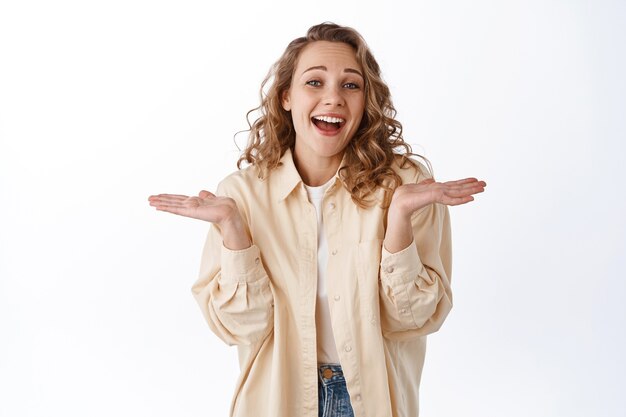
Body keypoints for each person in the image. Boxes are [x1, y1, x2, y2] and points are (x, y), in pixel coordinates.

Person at [148, 22, 486, 417]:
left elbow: (415, 318)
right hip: (279, 401)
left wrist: (399, 222)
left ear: (367, 101)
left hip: (371, 401)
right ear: (286, 96)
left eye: (350, 85)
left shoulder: (407, 186)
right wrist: (234, 231)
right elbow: (241, 327)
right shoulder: (241, 195)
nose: (333, 98)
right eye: (314, 82)